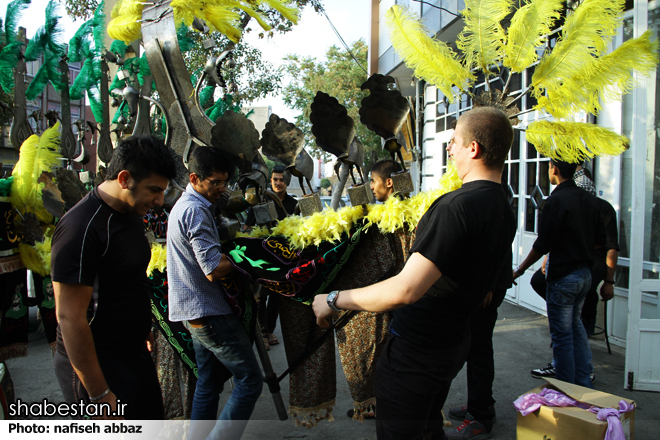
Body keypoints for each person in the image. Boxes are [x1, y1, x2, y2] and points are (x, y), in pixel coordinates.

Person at [313, 107, 516, 440]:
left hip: (418, 351)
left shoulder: (456, 207)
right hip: (452, 342)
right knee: (428, 428)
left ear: (474, 149)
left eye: (454, 141)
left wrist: (334, 299)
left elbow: (406, 289)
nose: (449, 148)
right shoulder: (502, 206)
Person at [51, 135, 176, 419]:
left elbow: (128, 277)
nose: (159, 201)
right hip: (97, 364)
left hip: (132, 354)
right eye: (154, 190)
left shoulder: (130, 212)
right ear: (124, 179)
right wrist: (98, 394)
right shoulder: (81, 228)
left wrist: (141, 327)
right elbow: (70, 317)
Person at [167, 147, 263, 439]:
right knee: (250, 381)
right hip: (210, 313)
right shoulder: (195, 210)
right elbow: (212, 268)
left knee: (208, 382)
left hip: (195, 313)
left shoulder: (186, 205)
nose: (221, 189)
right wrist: (249, 255)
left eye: (225, 183)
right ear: (195, 178)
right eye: (215, 183)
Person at [513, 159, 604, 388]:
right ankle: (583, 384)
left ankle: (566, 392)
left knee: (563, 336)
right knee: (574, 328)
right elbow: (599, 241)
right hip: (584, 274)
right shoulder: (589, 199)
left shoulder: (556, 200)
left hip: (565, 277)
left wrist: (520, 269)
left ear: (553, 169)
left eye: (549, 165)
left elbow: (543, 244)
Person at [245, 164, 298, 348]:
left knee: (277, 298)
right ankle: (262, 333)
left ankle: (269, 330)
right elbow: (246, 229)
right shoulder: (259, 202)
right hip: (262, 259)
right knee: (260, 297)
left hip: (284, 260)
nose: (278, 183)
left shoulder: (294, 204)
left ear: (287, 181)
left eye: (282, 179)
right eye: (275, 179)